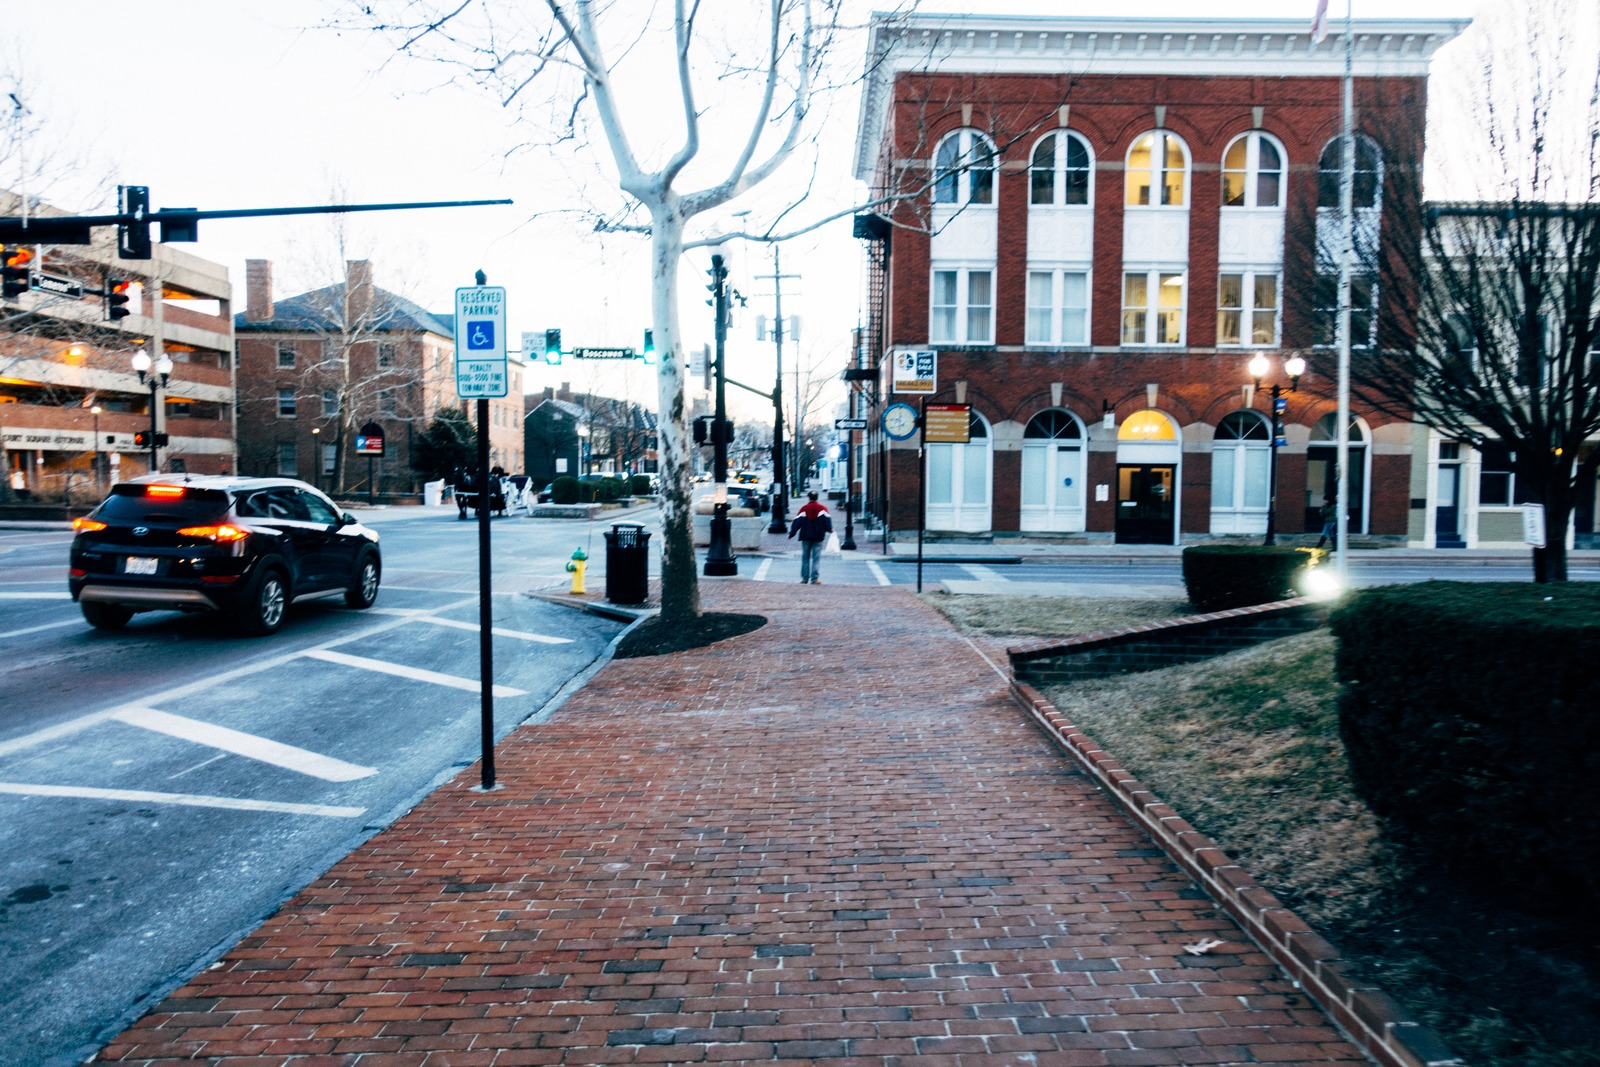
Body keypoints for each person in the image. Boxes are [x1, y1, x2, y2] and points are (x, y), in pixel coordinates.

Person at [788, 490, 833, 584]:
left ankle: (805, 578)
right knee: (816, 558)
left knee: (805, 557)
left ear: (808, 498)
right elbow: (827, 523)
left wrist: (791, 534)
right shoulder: (823, 509)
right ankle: (814, 578)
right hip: (818, 536)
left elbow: (797, 522)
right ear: (817, 498)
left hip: (806, 536)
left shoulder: (804, 509)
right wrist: (830, 530)